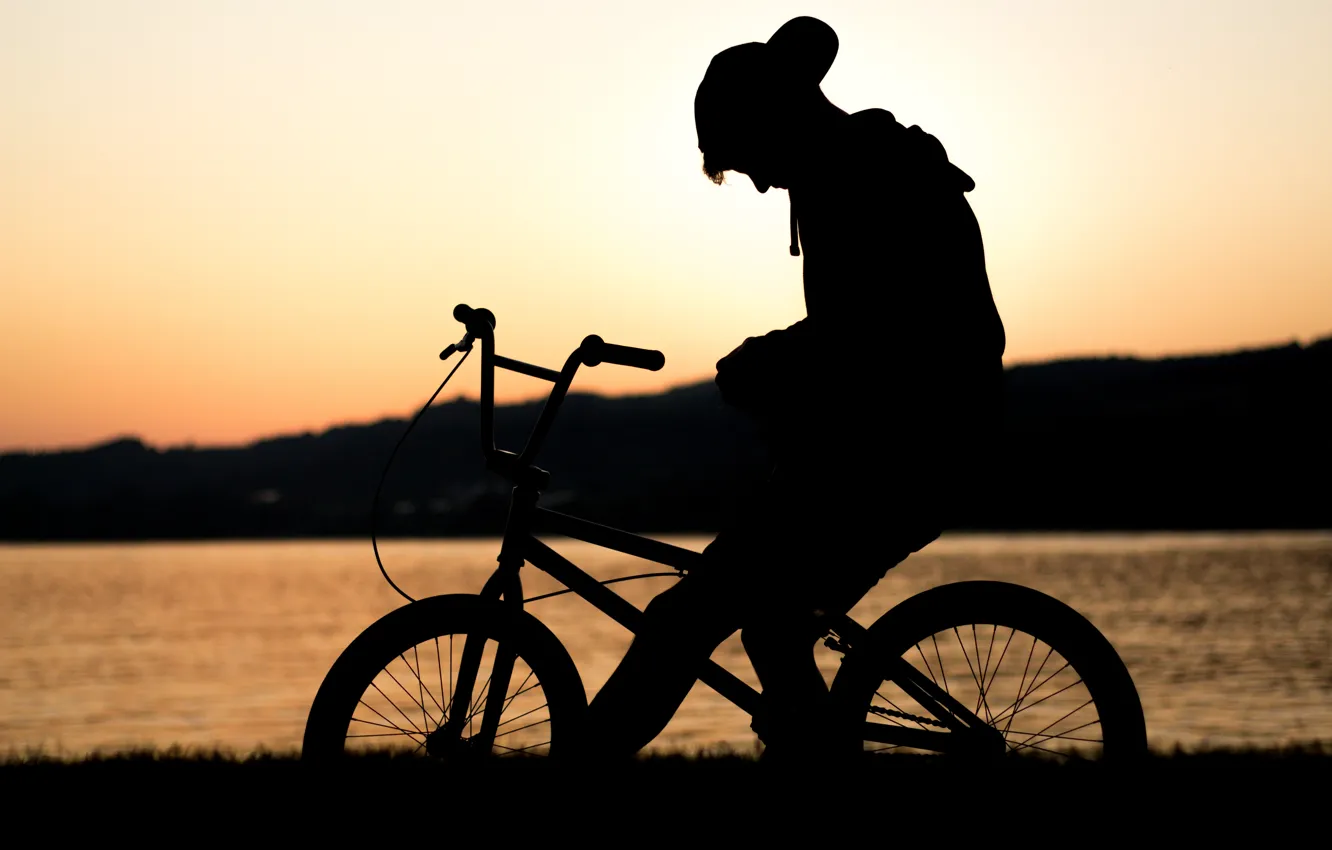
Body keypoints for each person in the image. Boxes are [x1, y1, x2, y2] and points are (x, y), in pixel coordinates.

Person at [581, 16, 1006, 761]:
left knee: (698, 621)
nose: (755, 178)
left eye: (745, 155)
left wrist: (768, 357)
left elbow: (875, 324)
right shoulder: (852, 165)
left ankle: (576, 766)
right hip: (910, 443)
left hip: (908, 450)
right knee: (765, 622)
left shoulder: (856, 174)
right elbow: (869, 334)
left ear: (770, 117)